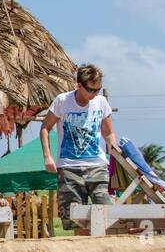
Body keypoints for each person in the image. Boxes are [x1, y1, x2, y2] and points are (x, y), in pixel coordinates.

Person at [41, 64, 118, 235]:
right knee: (77, 220)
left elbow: (108, 132)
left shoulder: (101, 102)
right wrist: (48, 156)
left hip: (97, 166)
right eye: (91, 90)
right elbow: (45, 128)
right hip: (69, 168)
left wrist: (116, 155)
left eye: (98, 89)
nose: (95, 94)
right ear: (79, 85)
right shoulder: (62, 101)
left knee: (107, 215)